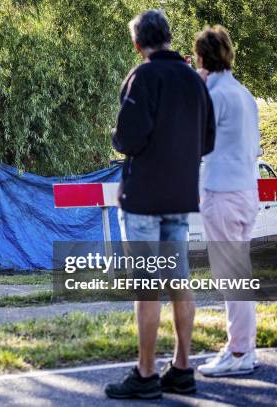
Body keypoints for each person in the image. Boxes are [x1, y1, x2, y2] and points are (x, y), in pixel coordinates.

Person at [105, 9, 215, 399]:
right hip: (180, 195)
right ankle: (183, 369)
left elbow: (129, 139)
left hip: (144, 198)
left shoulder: (142, 77)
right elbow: (208, 142)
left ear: (138, 45)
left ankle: (146, 374)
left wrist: (118, 137)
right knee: (179, 283)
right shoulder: (193, 80)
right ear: (169, 37)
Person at [194, 26, 260, 377]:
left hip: (223, 192)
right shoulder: (244, 94)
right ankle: (243, 346)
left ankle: (239, 352)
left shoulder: (214, 96)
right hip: (247, 190)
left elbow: (198, 142)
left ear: (202, 58)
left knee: (231, 277)